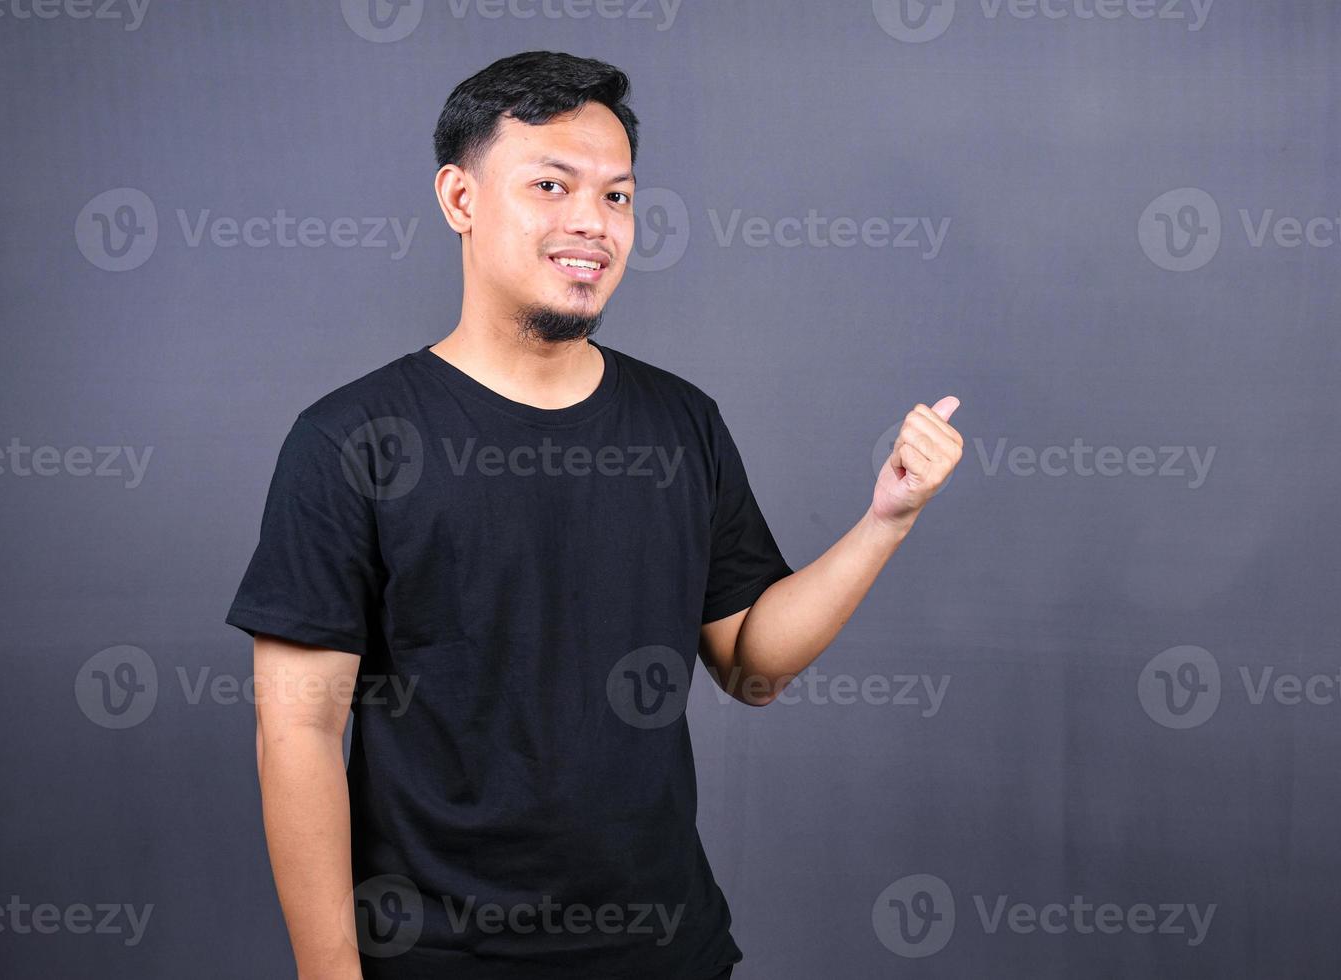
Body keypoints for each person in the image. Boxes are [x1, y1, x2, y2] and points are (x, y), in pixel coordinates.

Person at [226, 49, 963, 980]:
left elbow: (750, 665)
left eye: (617, 196)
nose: (592, 222)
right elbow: (296, 729)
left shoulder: (680, 421)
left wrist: (886, 518)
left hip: (667, 953)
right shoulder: (350, 439)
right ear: (459, 199)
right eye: (551, 184)